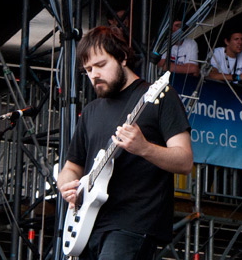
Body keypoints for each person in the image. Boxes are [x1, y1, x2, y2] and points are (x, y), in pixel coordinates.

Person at [57, 26, 193, 260]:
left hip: (134, 222)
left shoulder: (159, 96)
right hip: (88, 225)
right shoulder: (91, 111)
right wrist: (67, 186)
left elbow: (185, 160)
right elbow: (71, 167)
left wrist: (145, 148)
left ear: (121, 58)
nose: (94, 75)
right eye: (88, 70)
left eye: (100, 65)